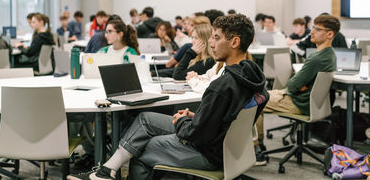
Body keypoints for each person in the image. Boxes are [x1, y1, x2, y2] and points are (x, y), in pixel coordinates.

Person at [68, 14, 268, 180]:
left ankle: (106, 171)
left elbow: (198, 134)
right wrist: (194, 116)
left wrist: (183, 121)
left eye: (216, 37)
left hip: (207, 152)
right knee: (146, 119)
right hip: (226, 147)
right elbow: (221, 117)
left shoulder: (222, 85)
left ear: (234, 42)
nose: (211, 43)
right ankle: (107, 171)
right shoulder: (250, 74)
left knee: (140, 149)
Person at [256, 15, 339, 165]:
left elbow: (292, 86)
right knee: (258, 95)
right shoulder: (330, 54)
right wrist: (300, 84)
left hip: (299, 102)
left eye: (317, 29)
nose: (312, 32)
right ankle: (257, 145)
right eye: (313, 27)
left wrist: (299, 84)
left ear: (329, 34)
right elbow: (295, 85)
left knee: (252, 102)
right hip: (309, 102)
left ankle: (257, 149)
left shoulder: (316, 58)